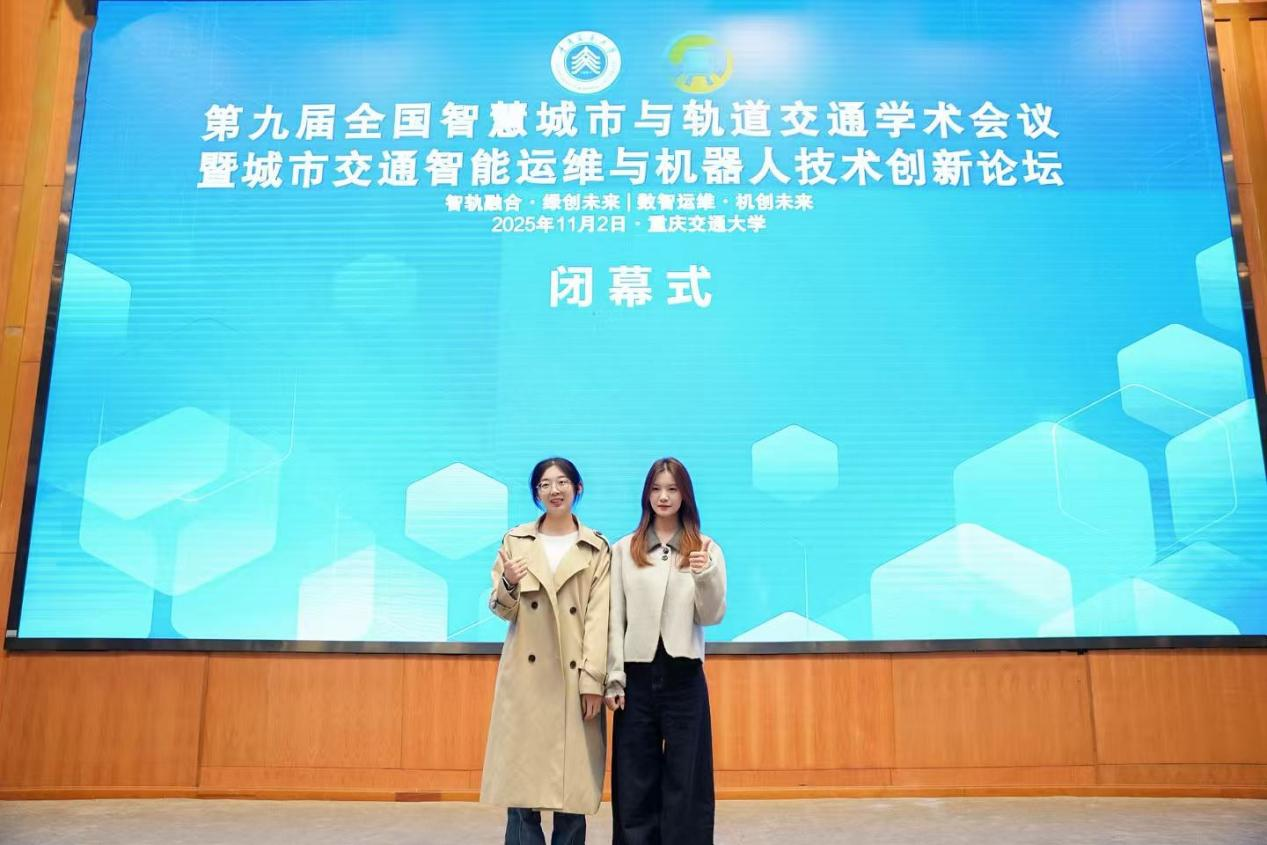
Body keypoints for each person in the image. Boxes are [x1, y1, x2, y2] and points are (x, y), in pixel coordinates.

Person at [481, 457, 611, 845]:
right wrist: (508, 582)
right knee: (522, 796)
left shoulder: (595, 547)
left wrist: (593, 680)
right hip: (525, 681)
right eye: (545, 484)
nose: (554, 490)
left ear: (577, 488)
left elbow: (599, 618)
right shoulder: (515, 541)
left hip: (574, 680)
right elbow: (503, 609)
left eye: (562, 482)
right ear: (536, 493)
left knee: (572, 795)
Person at [605, 457, 727, 845]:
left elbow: (712, 615)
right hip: (636, 677)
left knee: (686, 778)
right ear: (646, 495)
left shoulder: (705, 548)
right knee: (634, 778)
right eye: (656, 489)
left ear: (685, 495)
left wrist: (705, 574)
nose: (663, 496)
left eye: (672, 489)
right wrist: (613, 677)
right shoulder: (623, 550)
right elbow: (614, 618)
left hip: (684, 675)